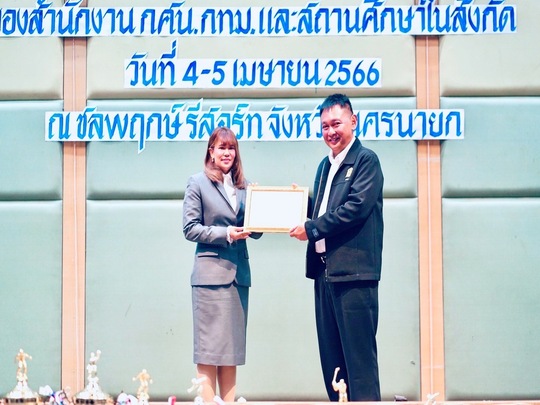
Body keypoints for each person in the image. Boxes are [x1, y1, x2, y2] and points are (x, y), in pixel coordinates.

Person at [289, 94, 384, 401]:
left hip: (354, 276)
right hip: (324, 274)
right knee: (333, 364)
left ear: (353, 122)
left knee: (359, 364)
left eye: (336, 124)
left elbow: (354, 209)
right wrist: (298, 203)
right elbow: (325, 209)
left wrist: (311, 229)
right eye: (325, 126)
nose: (330, 131)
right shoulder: (324, 166)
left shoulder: (366, 160)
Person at [183, 126, 262, 402]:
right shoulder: (197, 183)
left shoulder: (246, 186)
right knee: (208, 350)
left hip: (238, 278)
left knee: (231, 351)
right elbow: (190, 228)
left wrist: (266, 207)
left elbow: (257, 229)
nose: (227, 153)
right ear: (211, 152)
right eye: (221, 148)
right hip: (209, 278)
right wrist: (226, 233)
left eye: (231, 148)